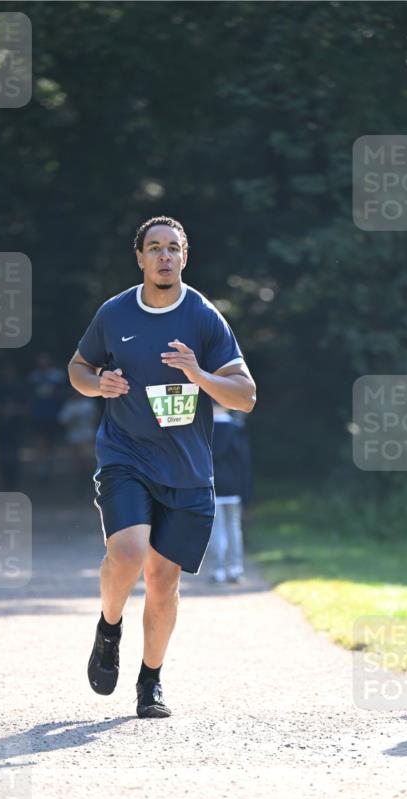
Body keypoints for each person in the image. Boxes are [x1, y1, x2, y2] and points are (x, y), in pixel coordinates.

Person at [68, 215, 256, 718]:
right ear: (140, 258)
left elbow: (246, 396)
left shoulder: (202, 316)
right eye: (154, 248)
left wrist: (197, 373)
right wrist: (98, 384)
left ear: (185, 256)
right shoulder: (115, 313)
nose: (164, 256)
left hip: (187, 468)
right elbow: (79, 368)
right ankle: (109, 629)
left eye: (173, 247)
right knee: (127, 552)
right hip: (125, 455)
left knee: (163, 579)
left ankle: (149, 680)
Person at [209, 403, 252, 583]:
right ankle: (235, 567)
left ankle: (218, 569)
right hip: (233, 486)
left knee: (216, 529)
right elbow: (244, 463)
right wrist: (248, 493)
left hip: (211, 486)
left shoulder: (205, 429)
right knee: (234, 527)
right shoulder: (236, 429)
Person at [0, 362, 28, 490]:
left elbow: (27, 407)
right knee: (2, 454)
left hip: (16, 426)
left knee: (15, 454)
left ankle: (14, 481)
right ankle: (5, 479)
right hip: (1, 427)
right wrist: (4, 411)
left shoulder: (19, 388)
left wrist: (14, 410)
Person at [28, 353, 67, 481]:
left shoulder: (57, 376)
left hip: (53, 414)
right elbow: (30, 397)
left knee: (51, 443)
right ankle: (41, 470)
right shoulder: (34, 377)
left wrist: (54, 394)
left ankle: (49, 467)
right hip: (38, 415)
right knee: (40, 442)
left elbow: (63, 395)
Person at [58, 391, 99, 489]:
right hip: (74, 435)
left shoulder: (88, 403)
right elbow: (63, 420)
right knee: (77, 460)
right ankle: (79, 480)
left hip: (87, 434)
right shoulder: (69, 405)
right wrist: (73, 420)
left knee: (87, 458)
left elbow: (95, 417)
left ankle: (89, 479)